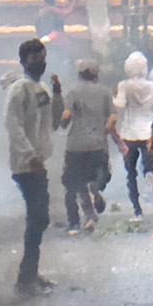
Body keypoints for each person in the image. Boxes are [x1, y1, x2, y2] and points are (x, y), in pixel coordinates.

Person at [5, 39, 60, 294]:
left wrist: (57, 95)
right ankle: (26, 280)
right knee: (38, 216)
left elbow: (53, 123)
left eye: (42, 57)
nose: (40, 62)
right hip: (26, 164)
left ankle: (30, 274)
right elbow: (13, 126)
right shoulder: (19, 90)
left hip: (38, 161)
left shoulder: (41, 88)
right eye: (35, 58)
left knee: (39, 217)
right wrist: (29, 156)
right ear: (24, 61)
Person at [60, 56, 113, 231]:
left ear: (79, 75)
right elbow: (112, 117)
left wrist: (63, 123)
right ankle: (95, 193)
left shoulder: (73, 93)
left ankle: (74, 222)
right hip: (97, 143)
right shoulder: (105, 92)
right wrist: (104, 130)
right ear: (97, 76)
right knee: (101, 176)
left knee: (72, 184)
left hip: (75, 144)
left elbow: (66, 115)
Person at [111, 50, 153, 211]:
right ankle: (150, 176)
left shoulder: (124, 86)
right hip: (148, 132)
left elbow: (120, 104)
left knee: (130, 172)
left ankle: (136, 208)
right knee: (149, 164)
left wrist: (111, 97)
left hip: (129, 133)